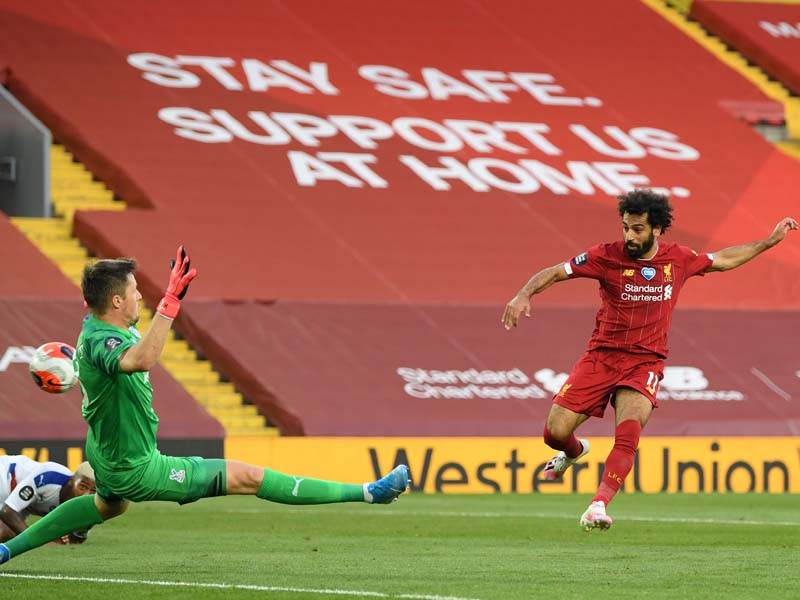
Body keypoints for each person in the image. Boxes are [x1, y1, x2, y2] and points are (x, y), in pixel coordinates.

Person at [0, 246, 409, 564]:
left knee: (107, 506)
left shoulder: (98, 325)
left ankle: (6, 551)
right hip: (137, 466)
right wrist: (171, 302)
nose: (141, 297)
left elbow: (117, 327)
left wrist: (155, 297)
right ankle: (370, 492)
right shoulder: (103, 341)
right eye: (135, 292)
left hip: (105, 454)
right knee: (249, 477)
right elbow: (140, 360)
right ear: (118, 302)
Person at [501, 189, 797, 532]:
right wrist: (523, 294)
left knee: (628, 433)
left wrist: (768, 242)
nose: (629, 235)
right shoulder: (605, 256)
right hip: (601, 357)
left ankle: (598, 505)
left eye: (638, 228)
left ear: (657, 229)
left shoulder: (679, 259)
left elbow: (724, 259)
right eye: (626, 227)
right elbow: (555, 271)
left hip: (645, 362)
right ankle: (574, 451)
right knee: (554, 432)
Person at [0, 456, 96, 544]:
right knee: (5, 532)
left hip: (22, 503)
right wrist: (39, 542)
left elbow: (76, 539)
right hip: (5, 477)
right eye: (82, 487)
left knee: (10, 534)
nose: (86, 494)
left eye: (93, 491)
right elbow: (7, 511)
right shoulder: (48, 477)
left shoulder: (91, 504)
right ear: (72, 481)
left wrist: (64, 539)